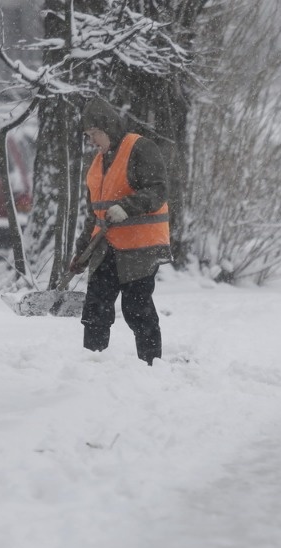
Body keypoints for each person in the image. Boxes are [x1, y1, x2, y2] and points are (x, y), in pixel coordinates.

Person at [68, 97, 172, 364]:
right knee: (95, 309)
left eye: (94, 133)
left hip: (140, 248)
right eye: (88, 135)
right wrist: (82, 252)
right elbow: (95, 215)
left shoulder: (140, 148)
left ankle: (151, 365)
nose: (92, 140)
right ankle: (92, 365)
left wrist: (127, 207)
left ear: (108, 127)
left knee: (137, 308)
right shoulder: (97, 165)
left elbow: (159, 190)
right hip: (107, 248)